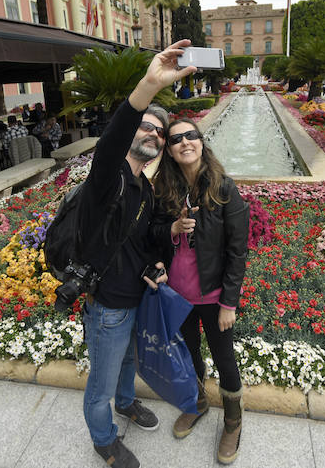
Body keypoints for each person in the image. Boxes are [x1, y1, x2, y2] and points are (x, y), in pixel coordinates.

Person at [76, 40, 197, 468]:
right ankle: (104, 440)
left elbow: (141, 239)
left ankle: (127, 404)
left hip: (134, 296)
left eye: (160, 132)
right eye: (146, 127)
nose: (154, 134)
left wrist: (158, 260)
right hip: (107, 305)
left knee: (129, 360)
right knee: (101, 383)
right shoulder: (107, 179)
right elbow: (110, 143)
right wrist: (148, 85)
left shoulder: (144, 187)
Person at [152, 118, 249, 464]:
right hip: (178, 295)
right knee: (189, 354)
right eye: (175, 139)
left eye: (190, 135)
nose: (184, 143)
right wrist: (173, 227)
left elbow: (238, 250)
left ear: (201, 141)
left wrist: (229, 303)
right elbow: (153, 232)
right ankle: (198, 402)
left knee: (225, 359)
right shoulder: (164, 188)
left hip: (212, 296)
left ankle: (233, 422)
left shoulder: (224, 188)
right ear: (170, 151)